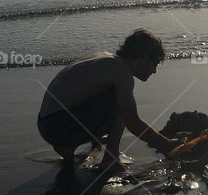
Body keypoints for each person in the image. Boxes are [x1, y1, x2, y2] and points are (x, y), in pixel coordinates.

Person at [38, 28, 177, 168]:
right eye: (155, 63)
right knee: (120, 101)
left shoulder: (106, 59)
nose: (154, 71)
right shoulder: (121, 73)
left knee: (110, 93)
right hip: (57, 127)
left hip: (47, 123)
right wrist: (165, 145)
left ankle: (80, 144)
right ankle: (111, 158)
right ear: (144, 56)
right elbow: (133, 122)